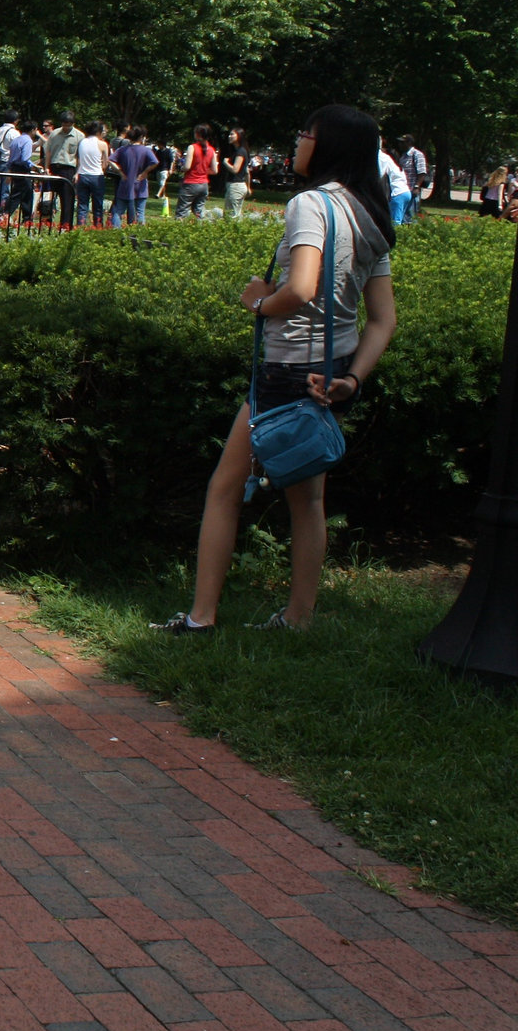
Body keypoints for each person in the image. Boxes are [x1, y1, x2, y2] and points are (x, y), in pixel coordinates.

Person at [156, 105, 398, 635]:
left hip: (286, 371)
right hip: (329, 372)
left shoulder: (310, 205)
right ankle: (298, 619)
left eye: (305, 132)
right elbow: (383, 320)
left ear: (328, 145)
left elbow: (302, 288)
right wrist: (352, 379)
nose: (298, 140)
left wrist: (257, 305)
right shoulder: (370, 214)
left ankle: (201, 617)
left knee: (224, 489)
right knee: (309, 501)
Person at [112, 127, 157, 226]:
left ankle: (115, 232)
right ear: (141, 137)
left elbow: (111, 160)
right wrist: (145, 172)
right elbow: (155, 162)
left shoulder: (122, 149)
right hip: (140, 184)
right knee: (140, 212)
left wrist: (120, 172)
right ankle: (139, 234)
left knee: (118, 211)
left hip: (125, 183)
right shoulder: (146, 150)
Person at [46, 113, 82, 228]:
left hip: (68, 169)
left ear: (73, 124)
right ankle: (46, 223)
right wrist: (46, 167)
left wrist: (77, 173)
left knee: (67, 200)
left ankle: (65, 226)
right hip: (54, 167)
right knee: (48, 198)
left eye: (68, 125)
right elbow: (48, 152)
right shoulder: (54, 134)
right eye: (64, 124)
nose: (66, 127)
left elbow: (79, 156)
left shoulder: (79, 136)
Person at [75, 121, 109, 227]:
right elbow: (105, 162)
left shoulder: (82, 142)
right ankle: (98, 226)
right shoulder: (102, 144)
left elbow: (78, 159)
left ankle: (81, 226)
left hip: (82, 175)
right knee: (98, 205)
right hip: (96, 176)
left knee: (82, 205)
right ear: (99, 132)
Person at [378, 142, 411, 224]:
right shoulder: (399, 167)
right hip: (406, 192)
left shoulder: (387, 161)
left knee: (395, 222)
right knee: (400, 218)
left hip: (397, 193)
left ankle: (398, 236)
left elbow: (380, 174)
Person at [223, 127, 251, 218]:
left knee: (232, 215)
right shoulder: (239, 151)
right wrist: (248, 187)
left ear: (239, 136)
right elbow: (247, 172)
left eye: (232, 134)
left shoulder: (240, 152)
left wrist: (225, 163)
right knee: (231, 214)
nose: (229, 136)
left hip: (236, 186)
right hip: (238, 186)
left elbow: (235, 169)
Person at [399, 137, 428, 221]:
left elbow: (422, 172)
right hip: (403, 190)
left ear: (408, 143)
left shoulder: (417, 154)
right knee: (404, 216)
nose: (400, 144)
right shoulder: (403, 156)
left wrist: (416, 186)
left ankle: (410, 231)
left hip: (412, 190)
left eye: (402, 142)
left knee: (410, 216)